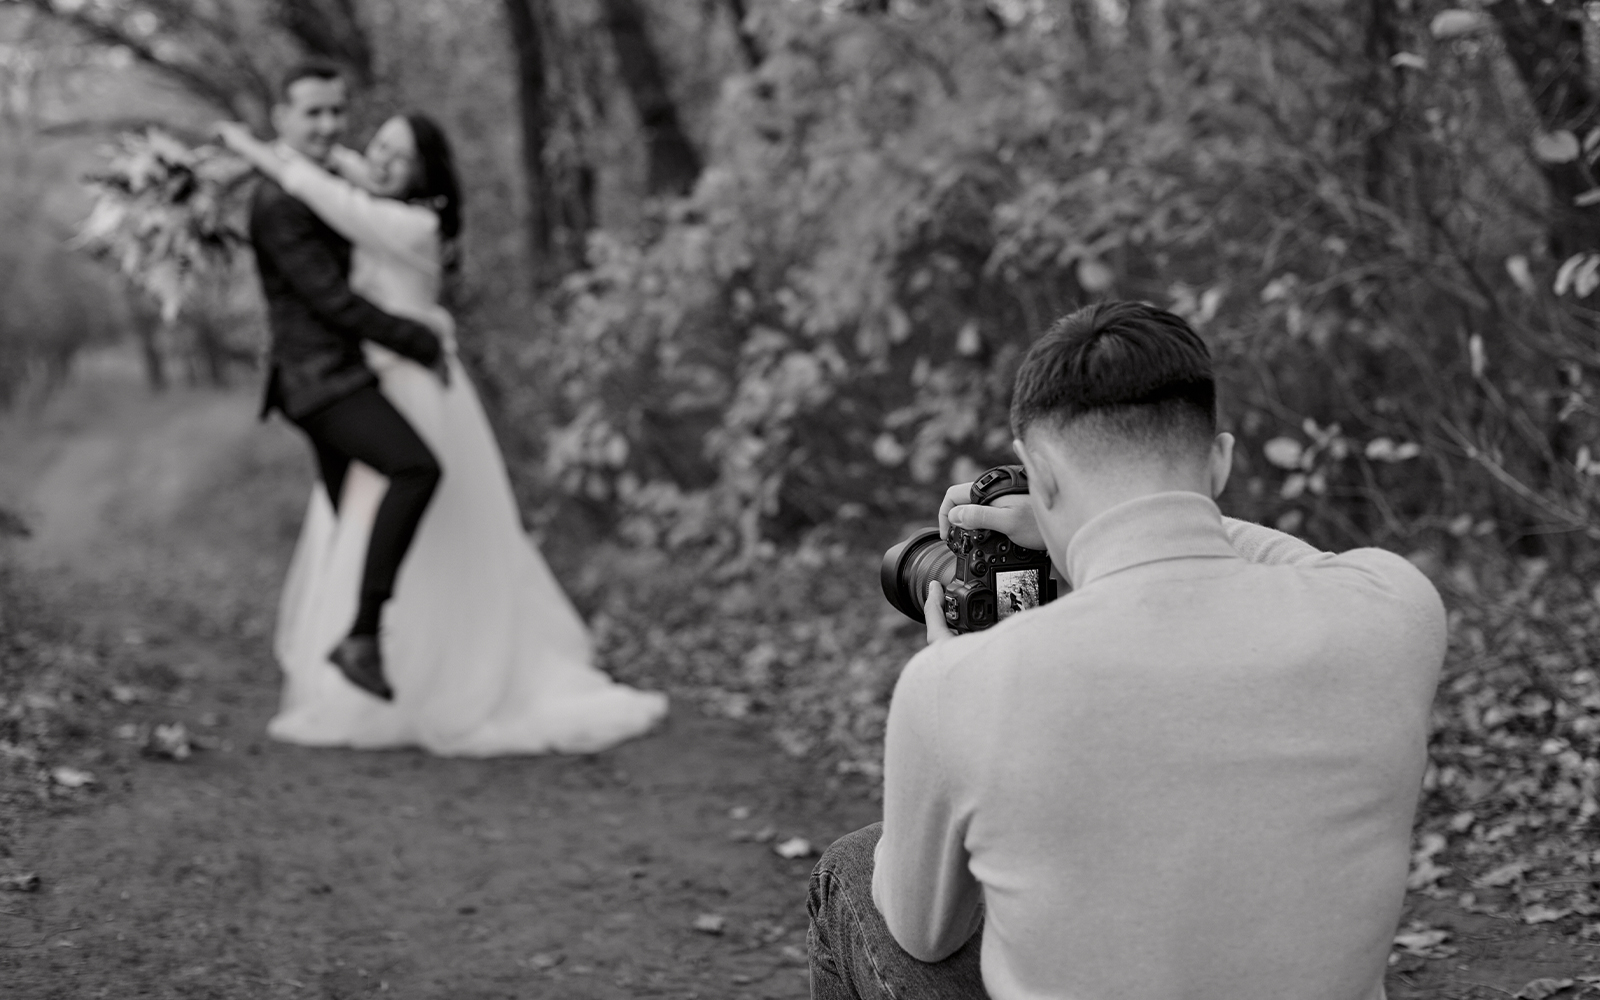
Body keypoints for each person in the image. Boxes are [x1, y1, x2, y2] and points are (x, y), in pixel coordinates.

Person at [807, 301, 1446, 1000]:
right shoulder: (1394, 606)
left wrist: (948, 683)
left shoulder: (958, 684)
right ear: (1222, 460)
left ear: (1038, 476)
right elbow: (1278, 557)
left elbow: (925, 936)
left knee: (855, 868)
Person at [220, 80, 669, 756]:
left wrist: (255, 149)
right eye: (380, 147)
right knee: (378, 520)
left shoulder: (412, 223)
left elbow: (329, 192)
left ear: (428, 172)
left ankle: (417, 657)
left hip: (417, 381)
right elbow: (338, 173)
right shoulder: (367, 199)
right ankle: (372, 658)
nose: (384, 159)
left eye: (402, 154)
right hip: (373, 379)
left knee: (436, 509)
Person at [246, 61, 450, 702]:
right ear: (283, 118)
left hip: (340, 373)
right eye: (313, 112)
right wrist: (421, 340)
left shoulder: (319, 178)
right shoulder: (280, 201)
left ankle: (354, 673)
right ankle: (361, 638)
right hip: (318, 380)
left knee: (356, 525)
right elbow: (334, 302)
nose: (329, 124)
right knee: (416, 469)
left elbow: (368, 196)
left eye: (337, 111)